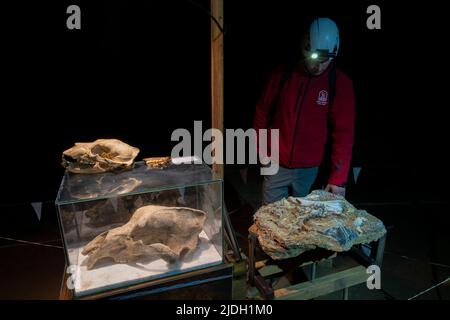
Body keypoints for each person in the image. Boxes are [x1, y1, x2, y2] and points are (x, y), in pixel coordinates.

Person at [253, 17, 355, 204]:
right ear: (304, 48)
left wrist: (338, 178)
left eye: (325, 61)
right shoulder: (282, 75)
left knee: (303, 227)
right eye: (314, 59)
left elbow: (344, 134)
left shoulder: (340, 84)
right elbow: (262, 112)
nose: (318, 66)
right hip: (275, 165)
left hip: (310, 171)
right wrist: (261, 150)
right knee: (268, 221)